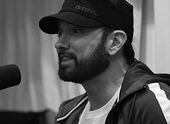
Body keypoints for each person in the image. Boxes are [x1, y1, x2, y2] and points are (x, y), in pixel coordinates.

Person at [39, 0, 170, 124]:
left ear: (115, 42)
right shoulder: (68, 114)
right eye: (60, 33)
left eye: (75, 31)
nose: (59, 44)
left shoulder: (151, 105)